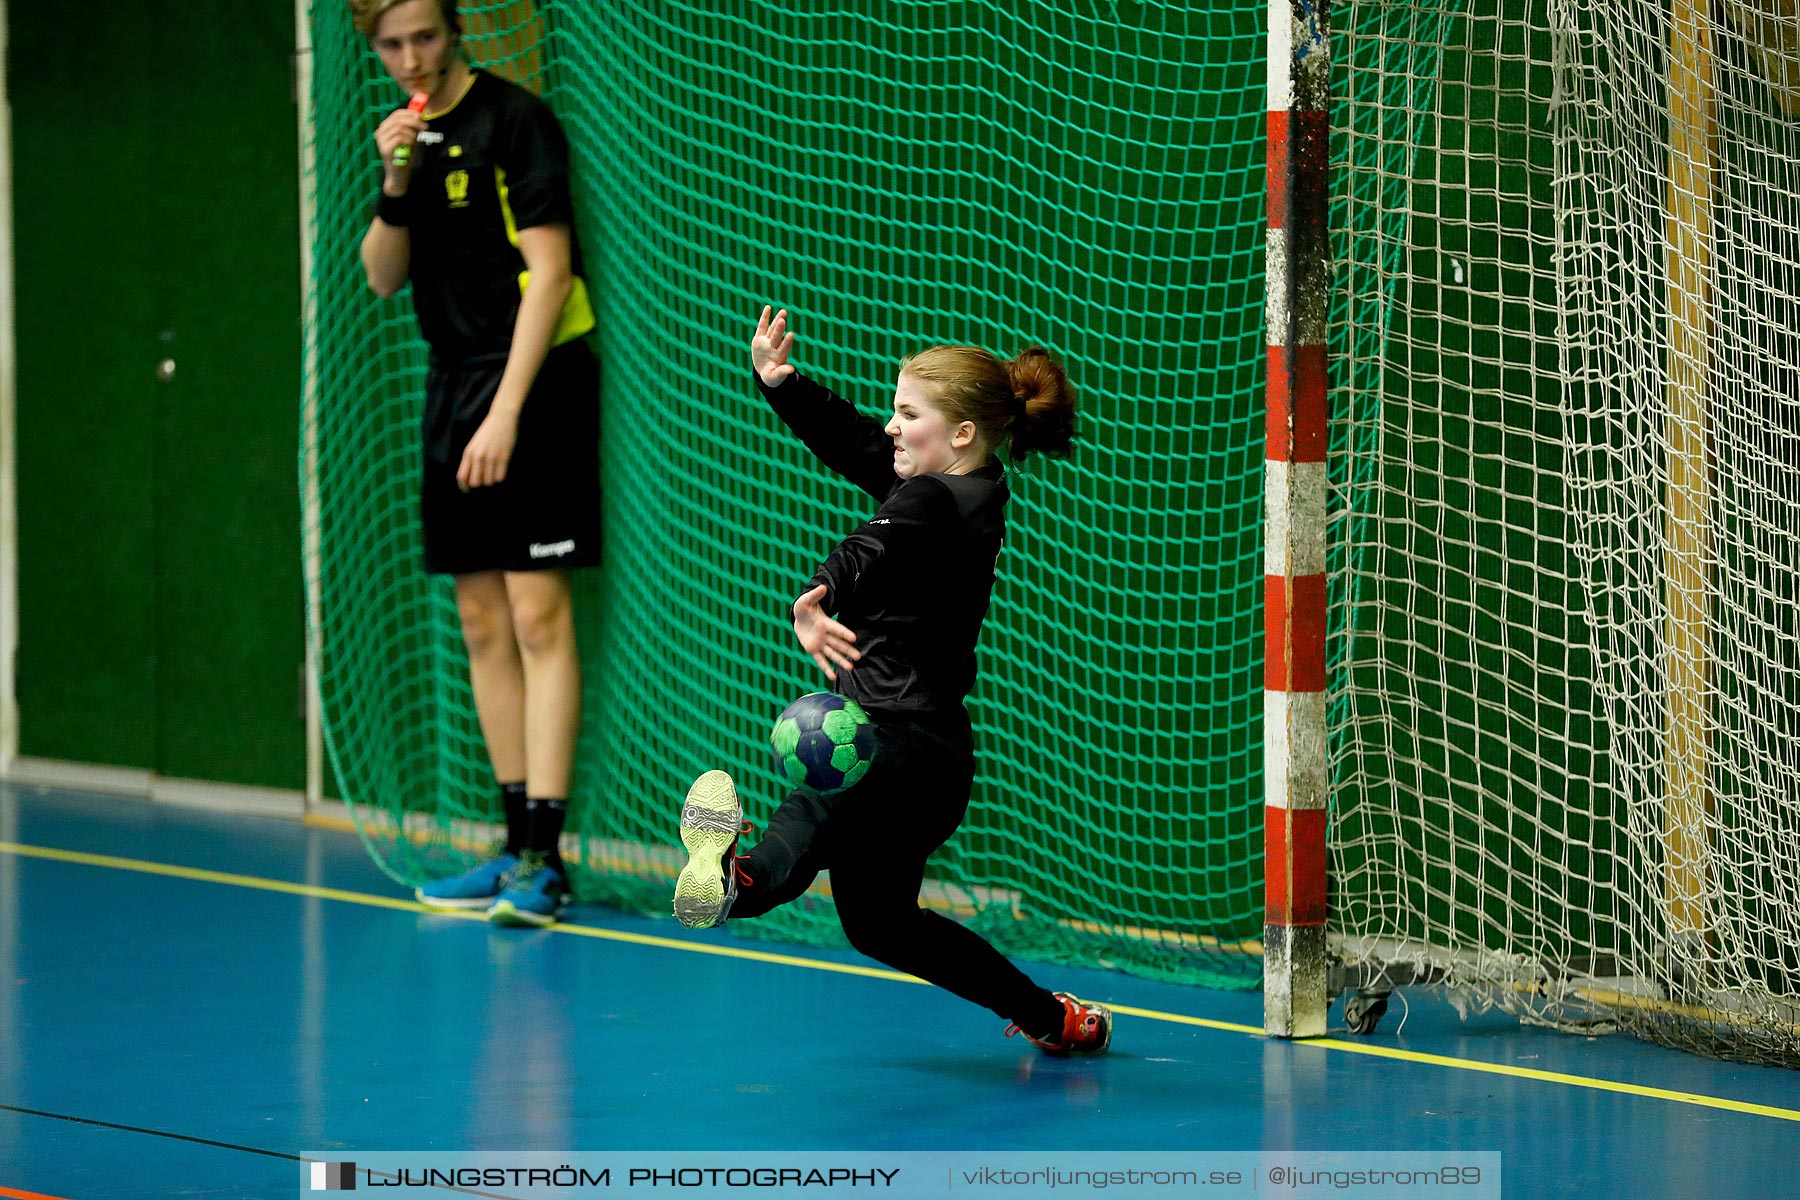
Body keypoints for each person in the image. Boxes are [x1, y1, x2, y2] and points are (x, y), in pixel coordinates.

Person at [672, 306, 1112, 1056]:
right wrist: (784, 385)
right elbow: (862, 446)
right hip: (934, 762)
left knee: (821, 787)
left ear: (961, 432)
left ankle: (739, 881)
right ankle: (1054, 1019)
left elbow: (868, 545)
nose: (893, 424)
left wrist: (816, 596)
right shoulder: (971, 489)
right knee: (880, 923)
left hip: (895, 744)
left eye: (908, 412)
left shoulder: (932, 500)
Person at [352, 0, 599, 926]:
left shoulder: (516, 121)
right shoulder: (407, 141)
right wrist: (392, 177)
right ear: (372, 47)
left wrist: (505, 414)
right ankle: (508, 853)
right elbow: (381, 276)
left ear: (452, 30)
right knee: (482, 620)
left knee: (537, 614)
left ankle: (546, 859)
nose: (411, 57)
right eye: (391, 44)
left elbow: (553, 274)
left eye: (425, 36)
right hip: (453, 381)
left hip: (536, 381)